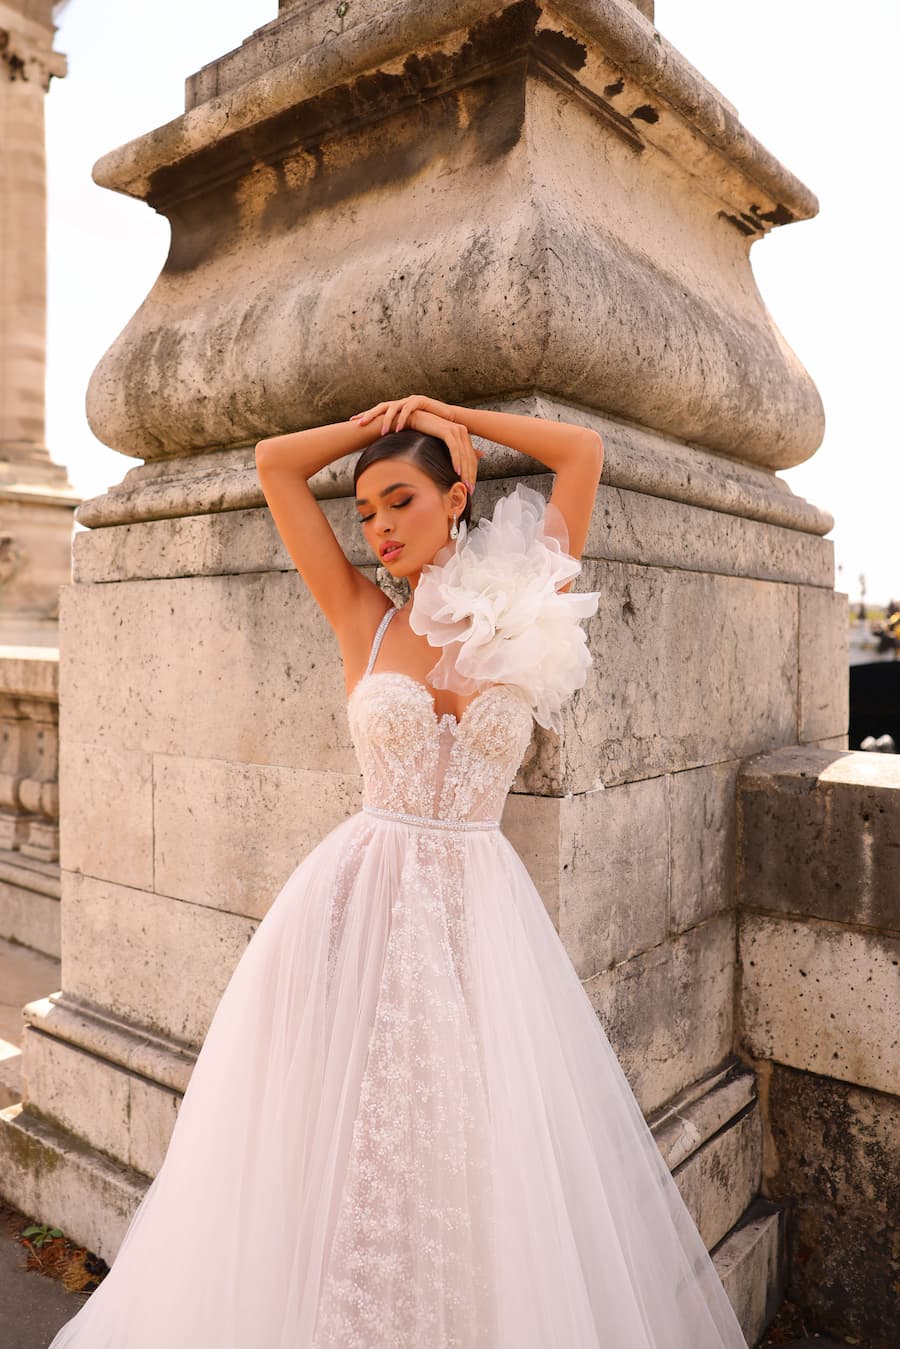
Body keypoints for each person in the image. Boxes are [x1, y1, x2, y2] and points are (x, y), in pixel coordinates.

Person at [46, 395, 749, 1347]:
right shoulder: (362, 618)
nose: (377, 529)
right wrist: (370, 425)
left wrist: (452, 412)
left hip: (478, 924)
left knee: (464, 1152)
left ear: (456, 496)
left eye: (399, 502)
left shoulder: (520, 606)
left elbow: (581, 452)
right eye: (366, 512)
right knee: (339, 1145)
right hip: (357, 907)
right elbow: (274, 466)